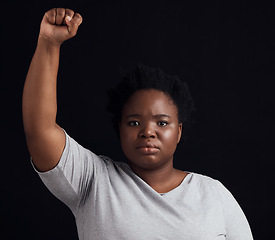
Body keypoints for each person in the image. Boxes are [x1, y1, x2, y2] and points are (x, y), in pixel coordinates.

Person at [22, 8, 254, 240]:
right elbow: (39, 130)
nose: (148, 132)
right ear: (120, 129)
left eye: (162, 123)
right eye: (134, 122)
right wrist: (48, 44)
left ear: (179, 131)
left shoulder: (213, 194)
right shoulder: (93, 181)